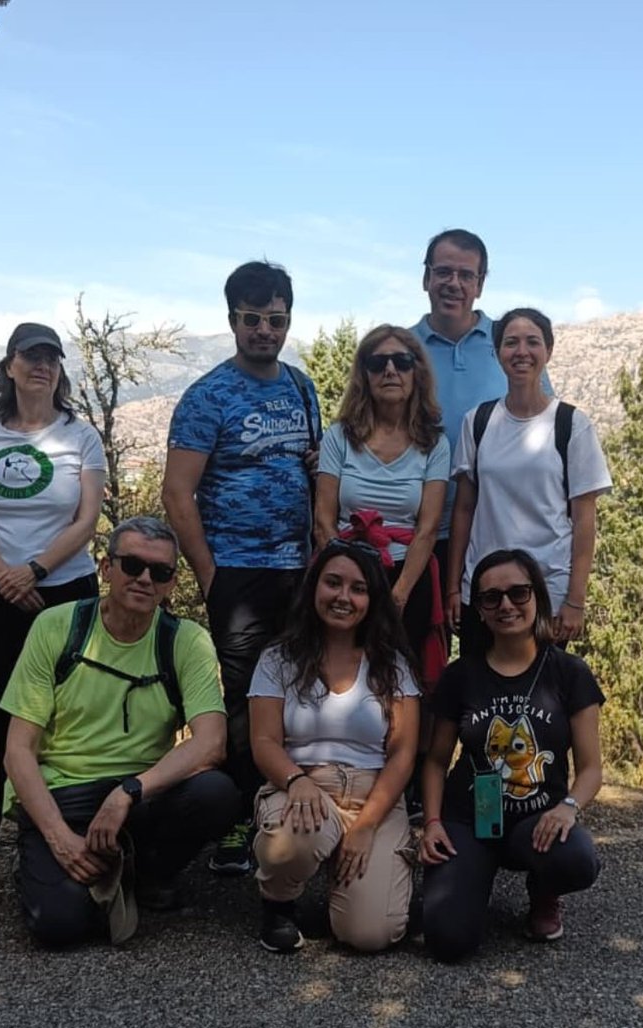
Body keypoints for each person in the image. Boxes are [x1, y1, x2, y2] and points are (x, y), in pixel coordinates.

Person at [2, 516, 240, 948]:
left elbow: (211, 742)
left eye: (160, 572)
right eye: (132, 565)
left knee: (216, 792)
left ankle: (147, 874)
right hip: (64, 794)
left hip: (139, 796)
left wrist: (128, 791)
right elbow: (18, 750)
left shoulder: (186, 640)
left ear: (171, 583)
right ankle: (55, 861)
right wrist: (59, 839)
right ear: (106, 568)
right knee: (60, 928)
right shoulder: (57, 627)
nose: (145, 579)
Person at [163, 260, 321, 875]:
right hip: (236, 569)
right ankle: (234, 820)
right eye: (252, 319)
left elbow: (311, 468)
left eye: (275, 320)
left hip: (298, 569)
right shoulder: (208, 396)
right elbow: (178, 493)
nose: (264, 331)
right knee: (242, 701)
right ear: (232, 319)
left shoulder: (301, 387)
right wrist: (210, 576)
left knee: (298, 695)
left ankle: (287, 809)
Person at [0, 323, 105, 866]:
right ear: (9, 366)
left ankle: (55, 811)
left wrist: (35, 570)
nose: (42, 366)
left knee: (67, 703)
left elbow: (87, 519)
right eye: (31, 356)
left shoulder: (80, 436)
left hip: (64, 586)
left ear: (60, 370)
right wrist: (4, 575)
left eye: (51, 358)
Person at [420, 549, 604, 961]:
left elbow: (592, 769)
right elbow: (435, 761)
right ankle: (472, 880)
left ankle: (544, 888)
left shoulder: (569, 673)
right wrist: (432, 822)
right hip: (469, 818)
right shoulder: (460, 675)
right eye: (491, 598)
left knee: (575, 859)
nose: (506, 605)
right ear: (480, 611)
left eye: (518, 593)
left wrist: (568, 808)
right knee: (449, 943)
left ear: (537, 596)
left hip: (537, 821)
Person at [248, 540, 420, 953]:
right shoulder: (278, 659)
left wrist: (364, 826)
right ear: (313, 588)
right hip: (303, 787)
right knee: (292, 843)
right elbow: (264, 740)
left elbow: (402, 754)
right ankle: (279, 904)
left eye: (358, 589)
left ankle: (371, 889)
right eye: (333, 583)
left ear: (372, 600)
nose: (344, 597)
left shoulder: (392, 665)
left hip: (373, 797)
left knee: (369, 935)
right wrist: (296, 780)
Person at [446, 308, 612, 649]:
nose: (522, 351)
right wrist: (452, 589)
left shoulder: (571, 425)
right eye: (511, 342)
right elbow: (463, 509)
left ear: (548, 351)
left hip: (547, 592)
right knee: (479, 683)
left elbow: (584, 521)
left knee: (542, 685)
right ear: (497, 353)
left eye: (532, 342)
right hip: (484, 591)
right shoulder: (477, 422)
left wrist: (576, 600)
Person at [410, 229, 553, 591]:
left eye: (466, 275)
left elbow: (546, 429)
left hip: (500, 530)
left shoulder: (512, 345)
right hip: (417, 531)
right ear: (426, 278)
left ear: (480, 284)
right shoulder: (401, 351)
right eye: (444, 272)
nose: (453, 283)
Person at [314, 324, 449, 686]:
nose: (390, 370)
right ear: (365, 374)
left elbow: (428, 528)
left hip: (407, 575)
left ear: (416, 372)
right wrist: (348, 583)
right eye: (378, 363)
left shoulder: (434, 443)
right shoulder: (339, 437)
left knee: (405, 681)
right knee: (341, 676)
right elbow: (323, 520)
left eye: (401, 362)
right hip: (345, 573)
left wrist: (396, 597)